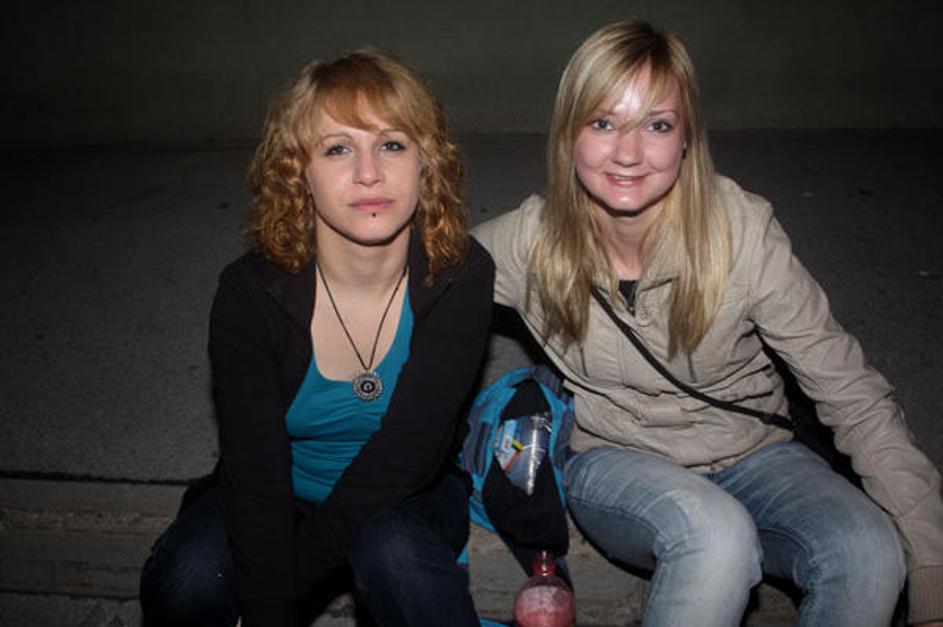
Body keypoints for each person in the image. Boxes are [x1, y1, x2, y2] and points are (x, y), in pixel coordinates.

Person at [472, 20, 943, 627]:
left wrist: (933, 566)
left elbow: (852, 392)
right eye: (603, 123)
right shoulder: (530, 242)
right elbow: (415, 275)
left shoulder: (742, 234)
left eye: (657, 125)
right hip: (616, 460)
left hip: (757, 455)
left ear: (687, 138)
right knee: (715, 536)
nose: (628, 153)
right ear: (568, 136)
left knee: (869, 552)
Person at [139, 50, 494, 627]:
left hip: (409, 496)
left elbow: (406, 459)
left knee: (395, 555)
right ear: (296, 172)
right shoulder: (251, 295)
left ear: (426, 164)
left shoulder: (459, 274)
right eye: (337, 149)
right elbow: (255, 471)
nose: (369, 173)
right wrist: (269, 589)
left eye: (391, 144)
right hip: (282, 493)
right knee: (188, 580)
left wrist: (283, 594)